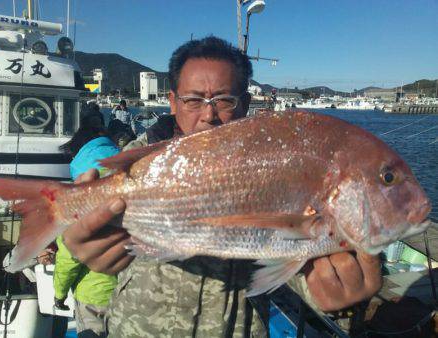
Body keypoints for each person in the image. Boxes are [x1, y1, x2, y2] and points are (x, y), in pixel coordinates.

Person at [61, 37, 382, 337]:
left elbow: (293, 265)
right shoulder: (136, 162)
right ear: (172, 102)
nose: (209, 114)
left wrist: (334, 287)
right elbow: (90, 235)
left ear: (244, 104)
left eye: (224, 100)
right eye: (193, 99)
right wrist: (81, 246)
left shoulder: (272, 167)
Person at [56, 114, 120, 338]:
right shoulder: (127, 184)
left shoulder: (81, 194)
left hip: (93, 298)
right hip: (131, 294)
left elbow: (69, 255)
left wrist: (59, 293)